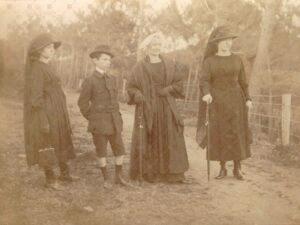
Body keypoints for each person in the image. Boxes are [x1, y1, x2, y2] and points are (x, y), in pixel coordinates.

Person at [127, 33, 189, 183]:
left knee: (170, 134)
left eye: (158, 45)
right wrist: (137, 94)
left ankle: (173, 173)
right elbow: (131, 87)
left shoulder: (169, 64)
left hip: (166, 105)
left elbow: (179, 82)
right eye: (153, 45)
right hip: (148, 105)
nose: (156, 48)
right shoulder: (139, 67)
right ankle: (151, 172)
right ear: (147, 48)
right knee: (150, 135)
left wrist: (167, 90)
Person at [196, 26, 253, 180]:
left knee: (236, 132)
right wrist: (207, 94)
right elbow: (204, 80)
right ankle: (222, 168)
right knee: (220, 133)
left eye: (230, 41)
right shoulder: (210, 61)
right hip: (217, 102)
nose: (228, 44)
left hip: (236, 101)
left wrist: (248, 98)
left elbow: (243, 81)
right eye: (224, 41)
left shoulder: (237, 59)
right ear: (217, 43)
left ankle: (237, 167)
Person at [23, 33, 78, 190]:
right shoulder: (36, 69)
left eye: (53, 47)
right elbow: (35, 98)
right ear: (40, 51)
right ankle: (50, 179)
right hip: (46, 112)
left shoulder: (48, 66)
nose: (52, 49)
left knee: (61, 139)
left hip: (57, 110)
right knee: (47, 142)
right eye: (48, 47)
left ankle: (65, 174)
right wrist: (43, 119)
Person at [78, 45, 128, 189]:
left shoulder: (112, 79)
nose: (108, 62)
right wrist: (93, 118)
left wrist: (117, 117)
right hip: (99, 123)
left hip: (114, 121)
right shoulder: (90, 80)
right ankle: (106, 178)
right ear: (95, 61)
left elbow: (115, 100)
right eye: (104, 59)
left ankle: (118, 177)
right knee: (102, 151)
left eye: (109, 60)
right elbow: (82, 103)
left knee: (120, 148)